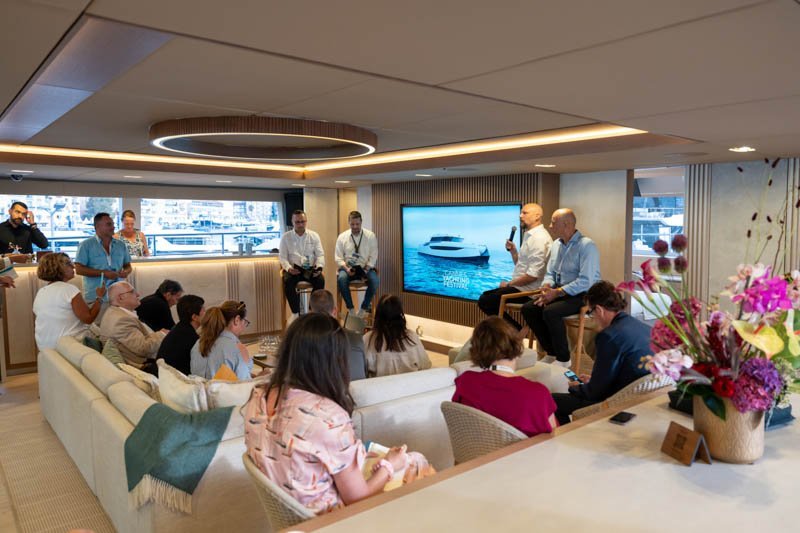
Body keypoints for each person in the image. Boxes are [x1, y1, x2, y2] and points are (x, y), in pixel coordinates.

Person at [244, 313, 434, 515]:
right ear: (334, 361)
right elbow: (357, 498)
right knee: (417, 464)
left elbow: (303, 453)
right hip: (334, 521)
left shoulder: (257, 397)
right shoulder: (328, 417)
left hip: (291, 516)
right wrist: (390, 465)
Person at [552, 281, 652, 425]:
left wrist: (577, 388)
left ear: (599, 310)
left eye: (591, 312)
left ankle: (567, 434)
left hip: (618, 400)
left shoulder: (609, 336)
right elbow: (620, 369)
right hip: (641, 393)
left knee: (551, 400)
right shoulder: (640, 326)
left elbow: (594, 392)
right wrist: (594, 379)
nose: (593, 317)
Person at [521, 208, 600, 367]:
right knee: (529, 308)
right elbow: (550, 273)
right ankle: (551, 353)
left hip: (584, 294)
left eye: (553, 223)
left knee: (551, 311)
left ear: (566, 224)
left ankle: (564, 359)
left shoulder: (587, 246)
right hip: (560, 291)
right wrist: (546, 286)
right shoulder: (556, 244)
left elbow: (586, 281)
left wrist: (557, 292)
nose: (550, 226)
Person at [452, 317, 557, 436]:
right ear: (516, 346)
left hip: (476, 447)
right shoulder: (538, 393)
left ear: (476, 351)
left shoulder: (465, 381)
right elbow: (552, 438)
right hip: (527, 448)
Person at [477, 203, 552, 329]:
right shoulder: (530, 236)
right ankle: (512, 331)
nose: (520, 216)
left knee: (486, 300)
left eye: (525, 213)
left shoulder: (539, 239)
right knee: (488, 296)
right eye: (521, 212)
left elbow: (533, 275)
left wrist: (508, 284)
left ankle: (515, 331)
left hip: (528, 292)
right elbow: (521, 266)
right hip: (521, 288)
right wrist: (514, 252)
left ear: (537, 216)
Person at [32, 253, 105, 350]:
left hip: (45, 347)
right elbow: (88, 319)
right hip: (69, 347)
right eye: (68, 263)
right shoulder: (69, 290)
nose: (73, 266)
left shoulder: (41, 292)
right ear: (57, 268)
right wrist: (99, 297)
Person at [99, 282, 167, 372]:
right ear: (120, 298)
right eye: (132, 292)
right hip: (145, 366)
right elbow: (143, 348)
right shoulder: (121, 320)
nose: (138, 294)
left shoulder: (116, 312)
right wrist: (162, 334)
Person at [364, 294, 431, 377]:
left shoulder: (368, 339)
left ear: (378, 315)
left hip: (380, 385)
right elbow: (425, 365)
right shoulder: (412, 337)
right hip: (410, 384)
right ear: (400, 314)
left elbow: (362, 371)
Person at [309, 289, 367, 381]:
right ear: (335, 311)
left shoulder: (302, 342)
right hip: (356, 388)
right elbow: (364, 370)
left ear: (310, 313)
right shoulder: (357, 339)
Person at [278, 209, 325, 321]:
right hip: (294, 270)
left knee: (320, 280)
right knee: (288, 282)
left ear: (306, 221)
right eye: (297, 222)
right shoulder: (286, 237)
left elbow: (320, 255)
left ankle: (312, 311)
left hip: (309, 269)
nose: (300, 224)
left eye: (302, 222)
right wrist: (289, 269)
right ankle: (295, 313)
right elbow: (282, 257)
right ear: (292, 222)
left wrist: (319, 267)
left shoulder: (314, 236)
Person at [75, 212, 132, 303]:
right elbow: (79, 269)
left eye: (113, 224)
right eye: (109, 224)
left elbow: (128, 265)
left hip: (119, 296)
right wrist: (103, 273)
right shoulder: (86, 245)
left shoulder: (121, 245)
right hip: (95, 297)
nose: (113, 227)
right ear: (97, 226)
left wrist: (126, 272)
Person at [190, 300, 253, 381]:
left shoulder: (198, 344)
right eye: (245, 322)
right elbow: (245, 385)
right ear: (237, 320)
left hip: (200, 389)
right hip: (227, 389)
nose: (244, 327)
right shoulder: (237, 348)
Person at [335, 211, 379, 318]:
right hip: (348, 268)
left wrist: (366, 269)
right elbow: (338, 257)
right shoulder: (342, 237)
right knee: (341, 279)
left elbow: (373, 256)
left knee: (375, 280)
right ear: (349, 222)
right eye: (352, 224)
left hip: (365, 268)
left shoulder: (370, 236)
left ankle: (363, 309)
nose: (355, 227)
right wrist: (346, 268)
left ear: (361, 222)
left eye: (357, 224)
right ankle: (351, 309)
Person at [157, 294, 205, 375]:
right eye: (204, 311)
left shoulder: (180, 328)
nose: (206, 314)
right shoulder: (189, 337)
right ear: (194, 317)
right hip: (175, 378)